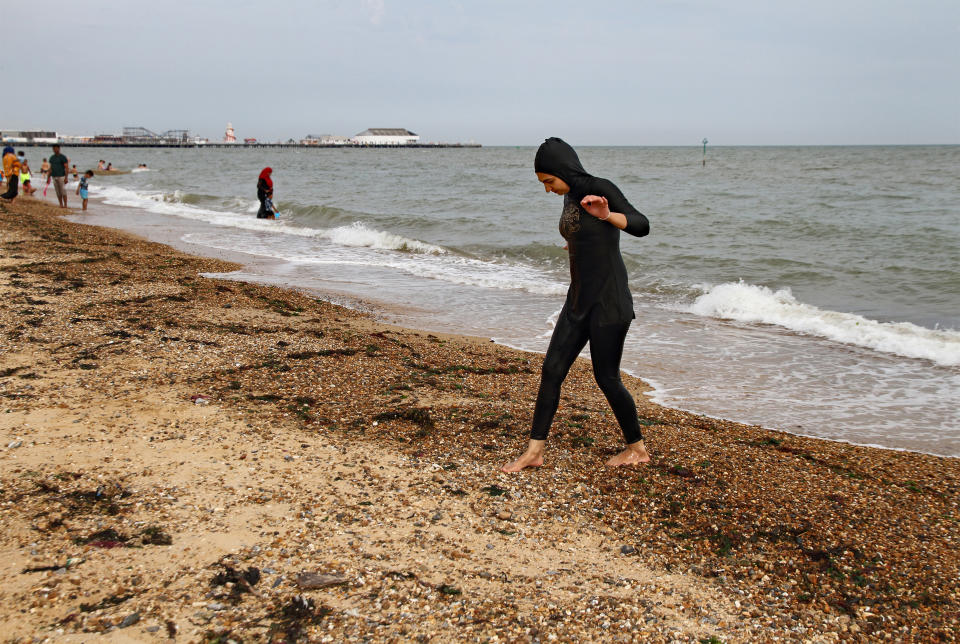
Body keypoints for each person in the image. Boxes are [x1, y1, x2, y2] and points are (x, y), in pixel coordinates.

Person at [502, 137, 651, 472]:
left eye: (549, 181)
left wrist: (608, 214)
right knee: (552, 370)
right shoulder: (569, 193)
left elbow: (642, 225)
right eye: (544, 184)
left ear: (562, 170)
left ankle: (637, 449)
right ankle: (534, 452)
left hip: (609, 302)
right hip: (578, 300)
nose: (547, 189)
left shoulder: (600, 188)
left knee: (607, 377)